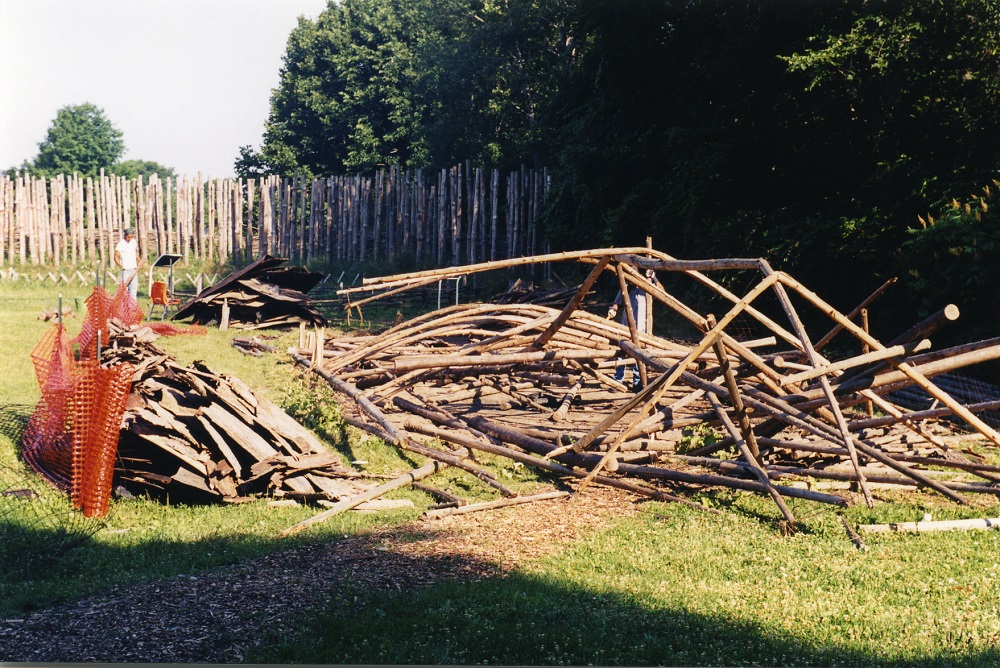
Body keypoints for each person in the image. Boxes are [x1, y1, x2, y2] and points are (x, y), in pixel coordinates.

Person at [607, 269, 658, 389]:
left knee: (638, 353)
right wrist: (613, 309)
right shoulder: (627, 287)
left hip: (641, 328)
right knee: (621, 352)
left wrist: (654, 277)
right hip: (626, 326)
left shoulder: (646, 286)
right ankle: (618, 380)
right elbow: (617, 301)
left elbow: (661, 291)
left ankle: (638, 381)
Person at [114, 228, 141, 301]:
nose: (130, 238)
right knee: (124, 289)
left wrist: (139, 261)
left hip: (133, 269)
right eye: (128, 237)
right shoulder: (121, 244)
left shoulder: (134, 242)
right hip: (125, 270)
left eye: (131, 237)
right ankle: (123, 307)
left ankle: (133, 307)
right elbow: (116, 257)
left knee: (133, 288)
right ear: (125, 236)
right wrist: (120, 265)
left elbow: (135, 253)